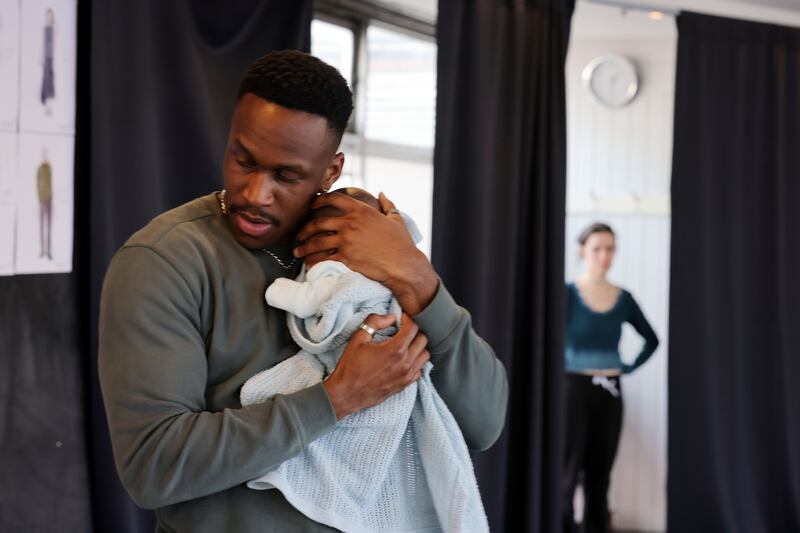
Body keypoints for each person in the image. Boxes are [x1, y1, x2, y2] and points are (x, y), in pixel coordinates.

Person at [98, 50, 508, 533]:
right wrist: (338, 397)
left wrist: (416, 275)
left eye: (286, 175)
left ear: (330, 171)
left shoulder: (367, 248)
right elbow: (153, 467)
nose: (256, 193)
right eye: (243, 160)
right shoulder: (165, 261)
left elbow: (484, 423)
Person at [239, 186, 488, 533]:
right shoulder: (381, 283)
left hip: (392, 364)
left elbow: (487, 422)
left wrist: (411, 267)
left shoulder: (368, 279)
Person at [562, 222, 659, 533]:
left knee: (600, 473)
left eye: (610, 249)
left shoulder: (623, 298)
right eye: (597, 249)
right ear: (583, 251)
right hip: (573, 388)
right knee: (567, 472)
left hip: (610, 390)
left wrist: (627, 367)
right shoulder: (567, 294)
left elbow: (652, 339)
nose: (604, 255)